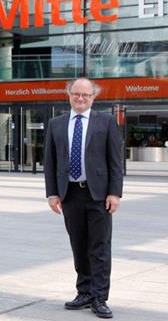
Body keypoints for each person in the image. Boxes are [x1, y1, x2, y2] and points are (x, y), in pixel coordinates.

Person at [44, 77, 123, 319]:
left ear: (93, 97)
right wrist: (52, 193)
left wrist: (115, 193)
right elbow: (50, 162)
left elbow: (115, 161)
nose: (80, 98)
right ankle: (84, 291)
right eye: (76, 94)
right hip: (70, 194)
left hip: (99, 194)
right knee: (78, 245)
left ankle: (99, 297)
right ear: (68, 95)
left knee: (99, 247)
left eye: (85, 95)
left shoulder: (106, 122)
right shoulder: (56, 124)